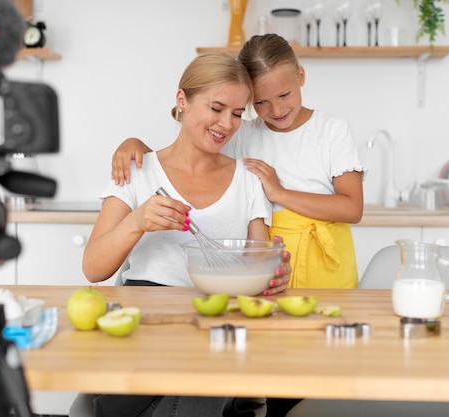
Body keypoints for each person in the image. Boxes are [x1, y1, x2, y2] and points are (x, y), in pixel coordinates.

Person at [80, 52, 291, 417]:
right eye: (217, 108)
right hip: (143, 325)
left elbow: (257, 264)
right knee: (205, 376)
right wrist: (137, 221)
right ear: (182, 101)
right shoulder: (138, 170)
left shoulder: (248, 179)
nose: (227, 124)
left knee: (206, 370)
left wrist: (274, 272)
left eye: (238, 113)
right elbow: (93, 268)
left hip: (214, 325)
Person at [111, 33, 365, 291]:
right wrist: (137, 146)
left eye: (284, 95)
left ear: (301, 77)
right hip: (268, 261)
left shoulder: (331, 129)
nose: (276, 110)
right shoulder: (241, 131)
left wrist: (280, 193)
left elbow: (353, 208)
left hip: (323, 264)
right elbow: (187, 154)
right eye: (261, 102)